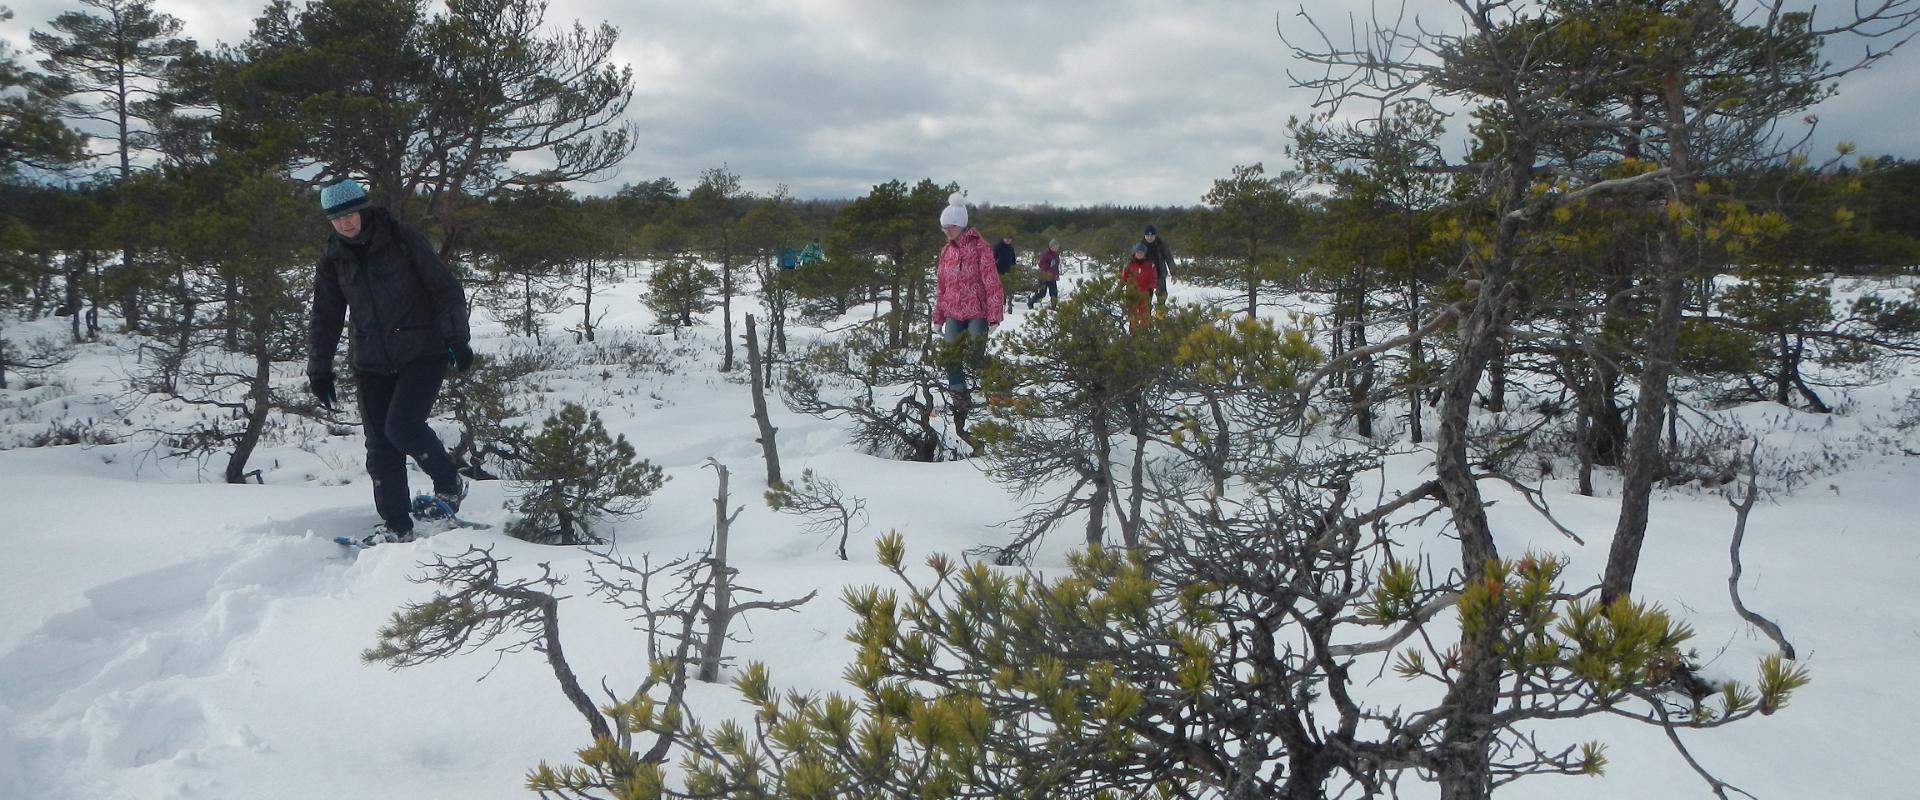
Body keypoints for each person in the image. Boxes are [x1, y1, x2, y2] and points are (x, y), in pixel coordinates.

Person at [307, 179, 474, 546]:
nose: (345, 223)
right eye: (336, 218)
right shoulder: (333, 259)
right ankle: (397, 525)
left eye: (349, 214)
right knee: (380, 446)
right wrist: (319, 368)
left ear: (363, 209)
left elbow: (445, 289)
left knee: (402, 427)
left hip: (422, 351)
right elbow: (326, 316)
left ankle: (449, 482)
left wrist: (455, 337)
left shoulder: (401, 239)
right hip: (370, 361)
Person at [931, 192, 1004, 404]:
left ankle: (1000, 384)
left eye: (950, 227)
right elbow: (941, 286)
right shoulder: (946, 251)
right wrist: (938, 316)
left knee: (975, 355)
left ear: (961, 225)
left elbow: (992, 283)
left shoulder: (980, 248)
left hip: (977, 312)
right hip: (953, 312)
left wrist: (994, 316)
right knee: (950, 356)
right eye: (943, 227)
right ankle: (959, 396)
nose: (946, 231)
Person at [1121, 242, 1158, 331]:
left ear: (1145, 253)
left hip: (1144, 293)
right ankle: (1133, 333)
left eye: (1141, 253)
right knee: (1132, 314)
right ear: (1134, 253)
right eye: (1138, 252)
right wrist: (1119, 288)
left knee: (1144, 314)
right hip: (1132, 293)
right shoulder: (1129, 264)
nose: (1139, 254)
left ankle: (1144, 333)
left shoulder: (1150, 265)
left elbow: (1153, 278)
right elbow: (1124, 278)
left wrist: (1150, 289)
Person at [1139, 224, 1173, 307]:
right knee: (1146, 299)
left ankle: (1160, 317)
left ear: (1155, 235)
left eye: (1152, 235)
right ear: (1145, 235)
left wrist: (1174, 272)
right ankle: (1146, 317)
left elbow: (1169, 258)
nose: (1150, 237)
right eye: (1148, 235)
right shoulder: (1140, 246)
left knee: (1162, 297)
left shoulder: (1161, 244)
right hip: (1146, 277)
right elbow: (1133, 261)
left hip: (1159, 274)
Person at [1029, 239, 1061, 309]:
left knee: (1054, 293)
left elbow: (1056, 266)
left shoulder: (1056, 255)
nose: (1056, 248)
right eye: (1055, 247)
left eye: (1057, 247)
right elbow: (1041, 264)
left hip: (1052, 277)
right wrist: (1049, 265)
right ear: (1050, 246)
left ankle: (1053, 308)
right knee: (1042, 293)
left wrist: (1057, 275)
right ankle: (1031, 302)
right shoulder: (1045, 254)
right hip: (1044, 277)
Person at [992, 234, 1018, 314]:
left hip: (1008, 272)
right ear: (1003, 238)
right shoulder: (998, 247)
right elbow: (992, 258)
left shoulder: (1011, 248)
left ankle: (1007, 304)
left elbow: (1013, 260)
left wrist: (1014, 269)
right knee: (999, 289)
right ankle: (1000, 305)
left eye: (1009, 239)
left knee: (1008, 289)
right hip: (998, 271)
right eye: (1006, 238)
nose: (1008, 240)